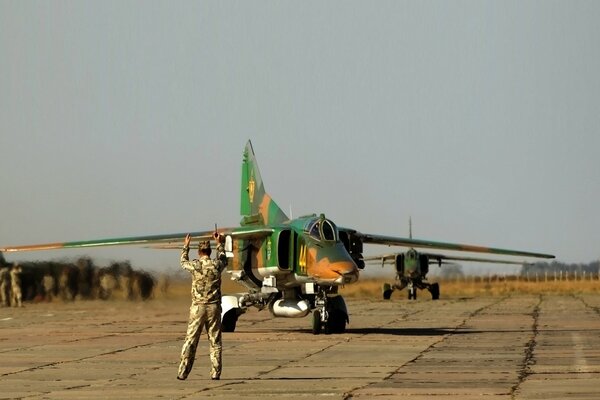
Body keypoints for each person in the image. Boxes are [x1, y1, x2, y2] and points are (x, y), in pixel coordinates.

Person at [177, 232, 227, 381]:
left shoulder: (195, 265)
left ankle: (183, 372)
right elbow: (224, 259)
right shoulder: (216, 265)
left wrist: (186, 246)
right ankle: (215, 373)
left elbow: (183, 262)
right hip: (213, 308)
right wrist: (219, 243)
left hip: (198, 308)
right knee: (215, 341)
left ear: (199, 252)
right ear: (209, 251)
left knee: (191, 340)